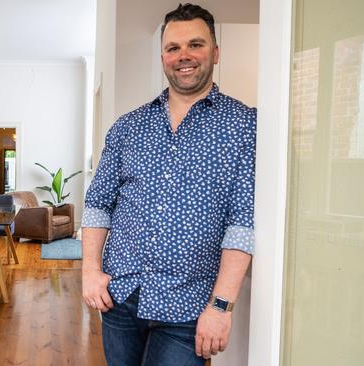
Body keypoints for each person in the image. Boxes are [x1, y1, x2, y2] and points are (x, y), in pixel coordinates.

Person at [81, 3, 256, 365]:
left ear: (216, 52)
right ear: (163, 57)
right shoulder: (128, 127)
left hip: (189, 306)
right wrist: (90, 273)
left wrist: (221, 307)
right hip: (120, 296)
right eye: (173, 48)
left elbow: (243, 223)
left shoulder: (244, 126)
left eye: (196, 44)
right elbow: (98, 203)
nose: (184, 56)